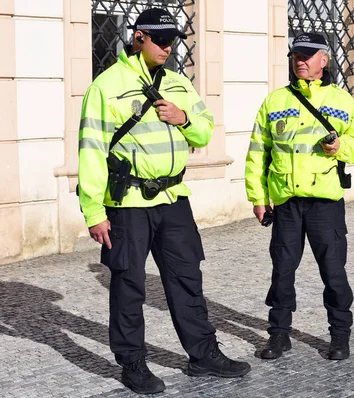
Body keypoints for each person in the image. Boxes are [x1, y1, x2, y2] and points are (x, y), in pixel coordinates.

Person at [78, 8, 250, 394]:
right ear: (139, 36)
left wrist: (183, 117)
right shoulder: (105, 87)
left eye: (172, 39)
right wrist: (93, 211)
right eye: (160, 39)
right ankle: (133, 364)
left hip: (173, 197)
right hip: (126, 203)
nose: (168, 47)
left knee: (187, 278)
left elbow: (205, 133)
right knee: (129, 285)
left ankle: (203, 355)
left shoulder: (178, 84)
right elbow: (90, 151)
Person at [244, 32, 354, 361]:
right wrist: (258, 198)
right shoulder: (275, 101)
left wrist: (340, 147)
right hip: (286, 202)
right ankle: (279, 335)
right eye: (295, 56)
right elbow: (257, 153)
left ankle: (340, 335)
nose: (299, 61)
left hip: (324, 203)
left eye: (306, 55)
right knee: (282, 271)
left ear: (323, 60)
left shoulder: (342, 101)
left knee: (333, 271)